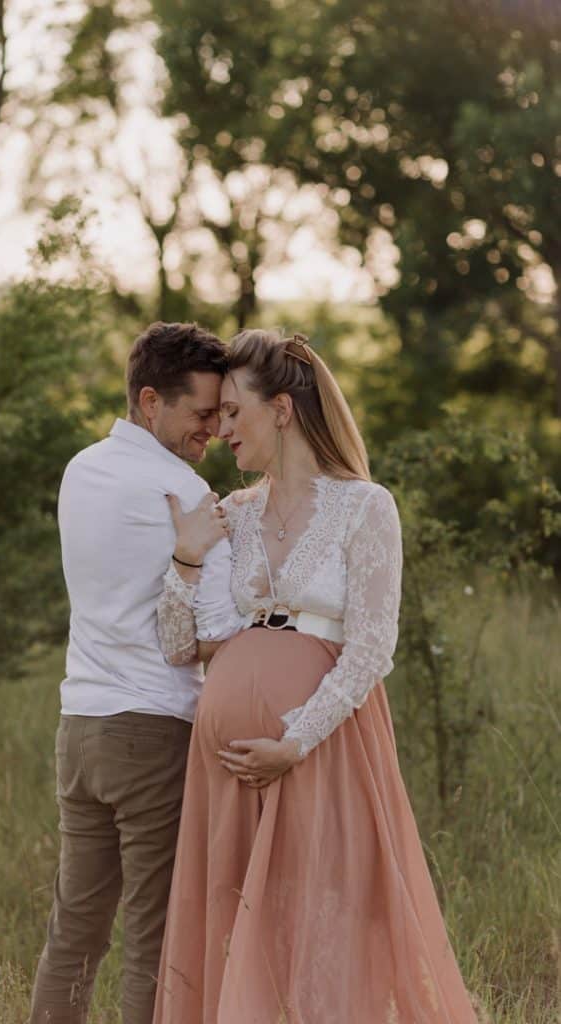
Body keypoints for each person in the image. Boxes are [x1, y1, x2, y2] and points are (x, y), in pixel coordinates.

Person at [153, 329, 478, 1023]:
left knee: (323, 920)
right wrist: (184, 559)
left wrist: (294, 741)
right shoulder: (230, 516)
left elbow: (371, 646)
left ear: (282, 409)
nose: (222, 429)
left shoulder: (364, 506)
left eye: (235, 412)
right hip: (228, 768)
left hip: (318, 752)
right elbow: (178, 644)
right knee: (238, 928)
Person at [29, 321, 236, 1024]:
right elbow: (209, 630)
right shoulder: (183, 492)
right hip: (150, 730)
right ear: (151, 402)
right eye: (200, 412)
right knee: (157, 936)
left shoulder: (81, 468)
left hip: (79, 726)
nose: (210, 428)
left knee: (75, 934)